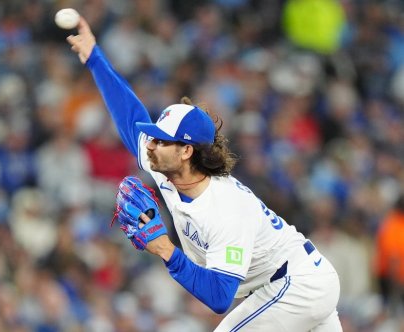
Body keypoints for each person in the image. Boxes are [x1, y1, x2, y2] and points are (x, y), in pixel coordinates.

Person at [66, 17, 342, 331]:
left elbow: (219, 298)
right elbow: (130, 116)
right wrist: (94, 59)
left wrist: (165, 250)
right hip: (287, 285)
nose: (151, 145)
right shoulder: (167, 166)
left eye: (161, 140)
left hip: (298, 284)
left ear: (187, 151)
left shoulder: (224, 207)